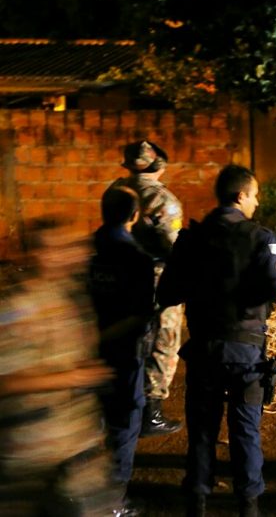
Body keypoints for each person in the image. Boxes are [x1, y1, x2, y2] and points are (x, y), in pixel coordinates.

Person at [157, 164, 276, 517]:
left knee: (202, 427)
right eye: (254, 195)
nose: (257, 202)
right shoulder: (261, 237)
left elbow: (167, 293)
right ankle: (248, 502)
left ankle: (197, 498)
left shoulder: (191, 239)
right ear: (240, 195)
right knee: (245, 427)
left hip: (204, 347)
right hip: (246, 351)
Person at [0, 217, 129, 516]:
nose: (78, 253)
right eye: (63, 247)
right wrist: (72, 377)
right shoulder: (17, 306)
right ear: (38, 254)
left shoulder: (66, 294)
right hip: (32, 452)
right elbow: (5, 381)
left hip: (73, 446)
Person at [108, 139, 184, 436]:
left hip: (120, 278)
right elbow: (173, 247)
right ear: (159, 164)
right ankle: (151, 413)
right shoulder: (163, 199)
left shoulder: (116, 190)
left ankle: (123, 403)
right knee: (163, 342)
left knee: (128, 339)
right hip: (156, 279)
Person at [88, 187, 157, 503]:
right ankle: (113, 500)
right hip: (122, 355)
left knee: (89, 424)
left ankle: (83, 496)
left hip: (82, 356)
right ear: (134, 216)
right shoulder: (137, 259)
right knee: (124, 423)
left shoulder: (84, 252)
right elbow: (140, 314)